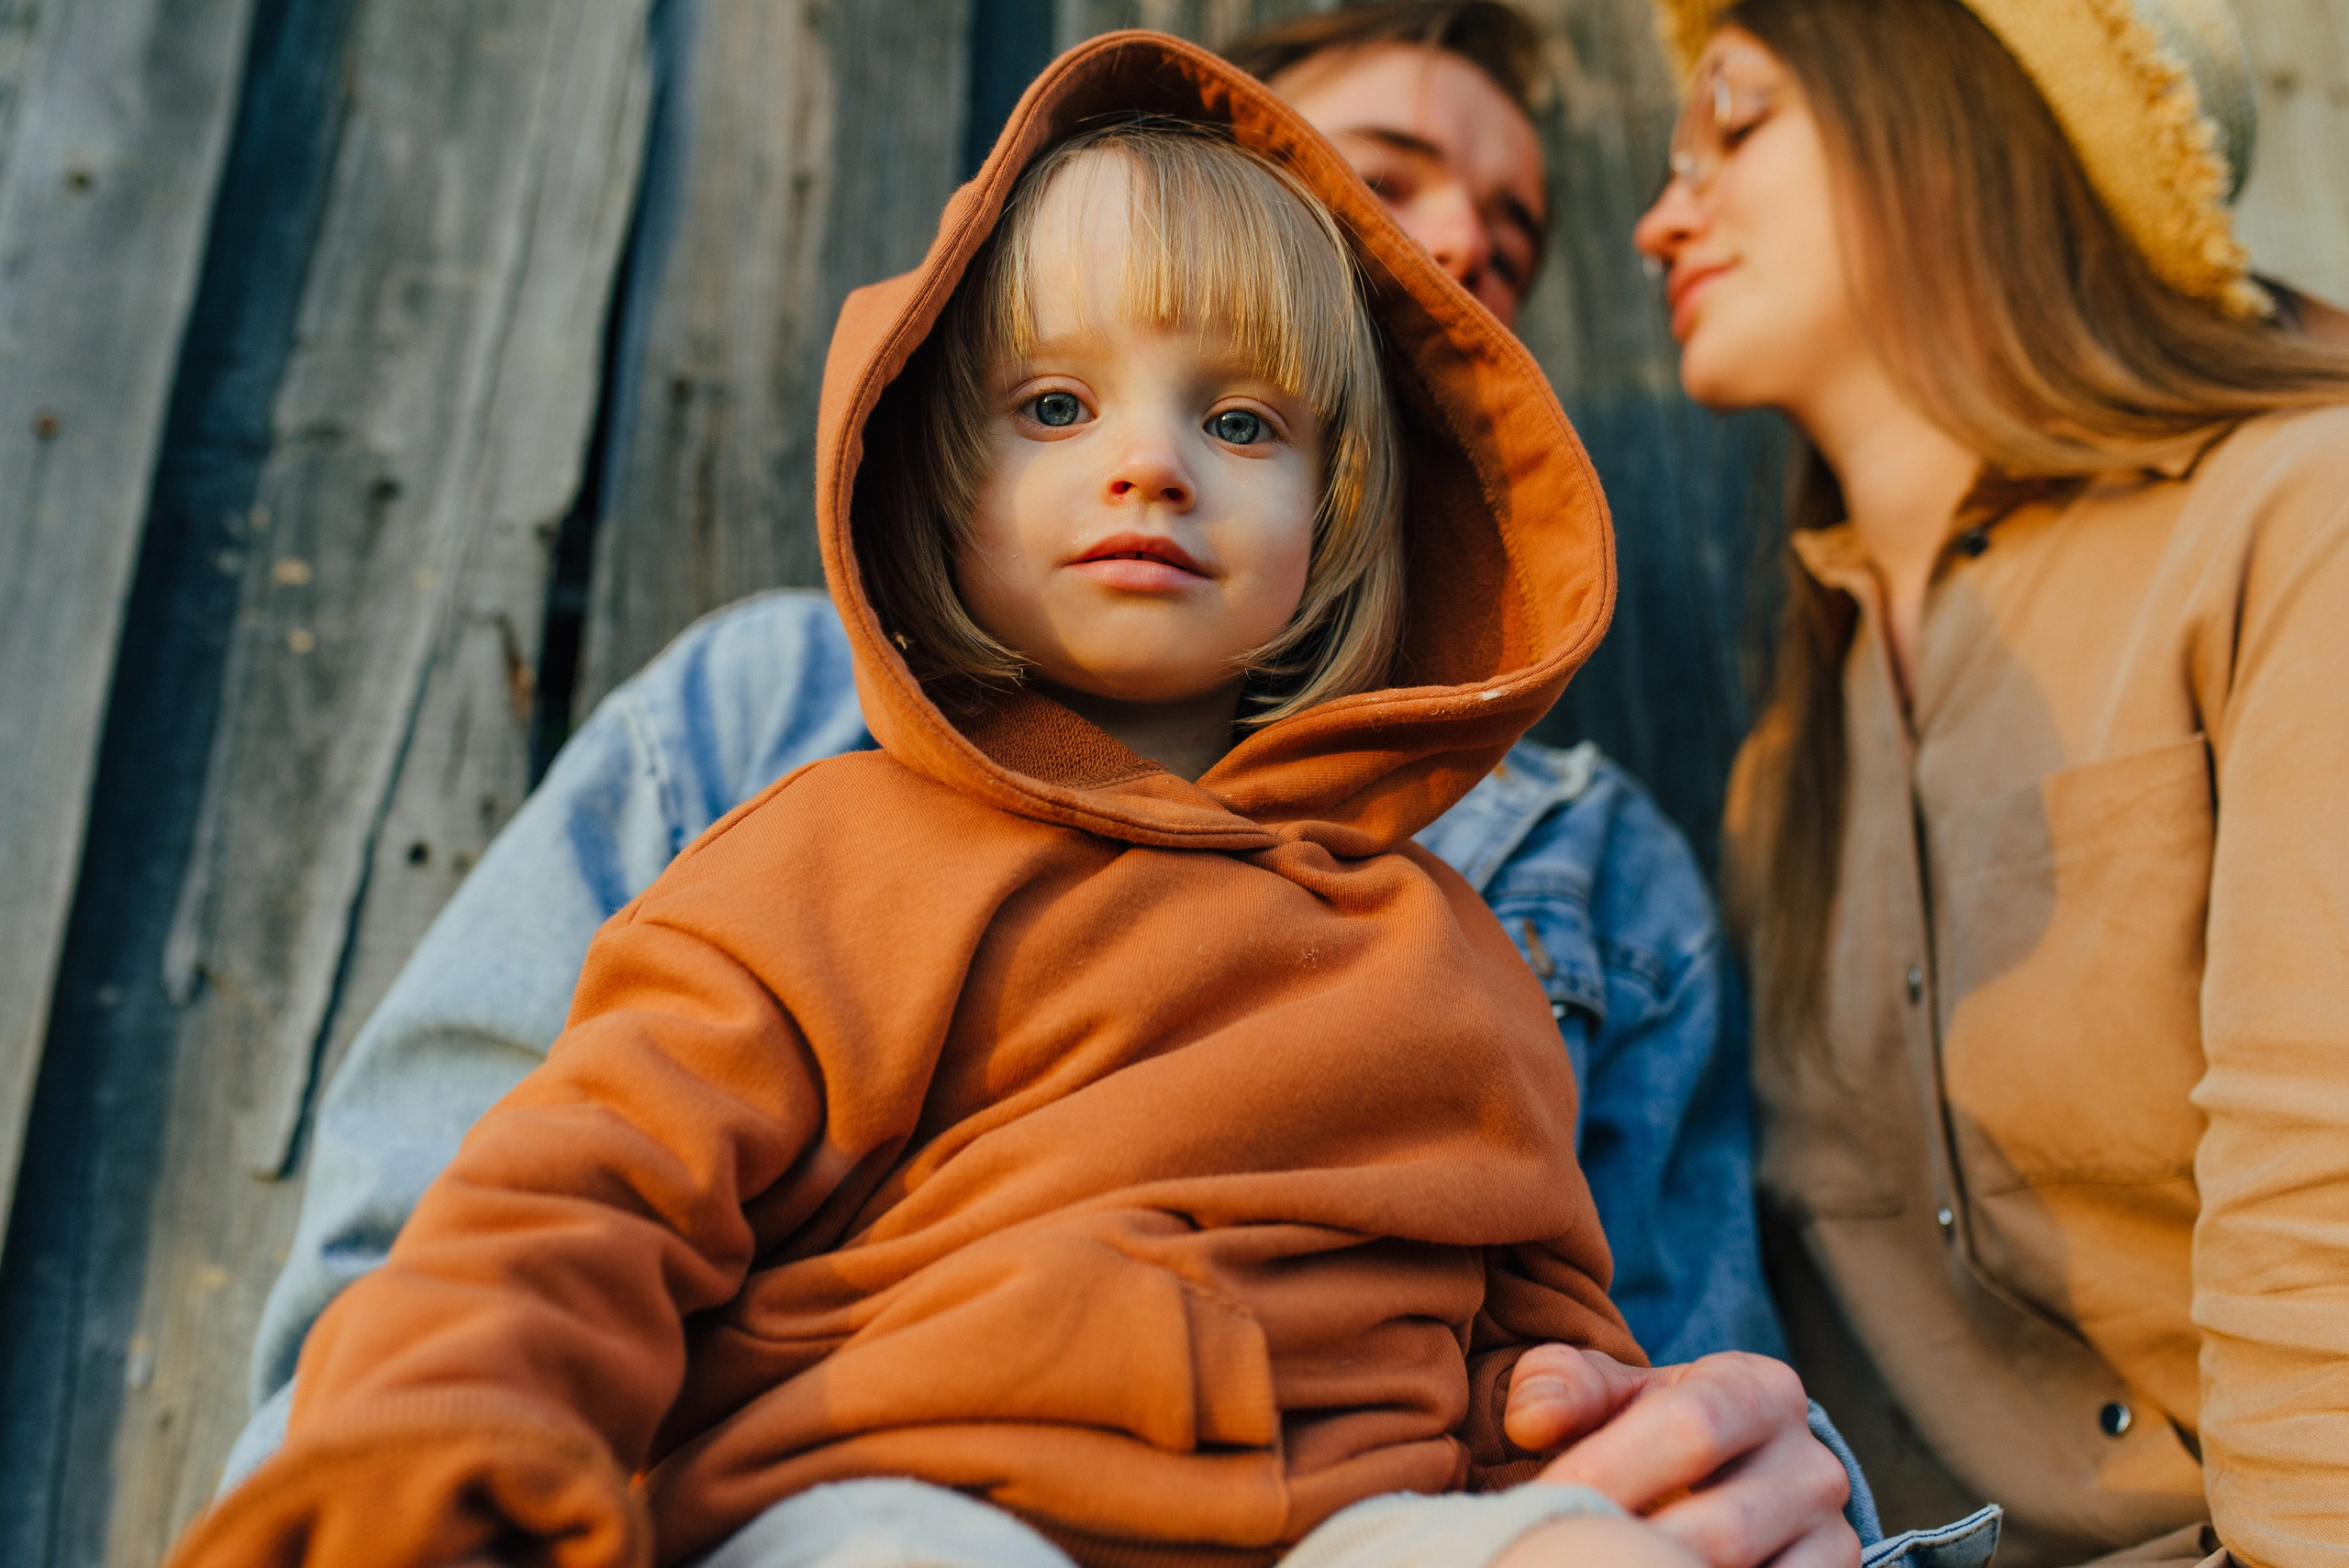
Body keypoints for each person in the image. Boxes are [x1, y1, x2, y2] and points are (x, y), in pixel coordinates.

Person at [215, 12, 1858, 1562]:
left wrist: (1585, 1469)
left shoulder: (1466, 944)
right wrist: (425, 1465)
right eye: (1058, 404)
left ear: (1343, 513)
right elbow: (578, 1192)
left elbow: (1556, 1324)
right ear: (936, 470)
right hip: (897, 1488)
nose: (1150, 461)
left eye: (1238, 414)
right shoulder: (814, 839)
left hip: (1342, 1521)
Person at [1632, 0, 2349, 1562]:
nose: (1656, 215)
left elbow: (2332, 1203)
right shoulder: (1783, 776)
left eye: (1737, 122)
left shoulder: (2304, 522)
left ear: (1963, 115)